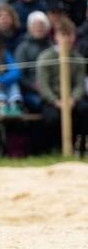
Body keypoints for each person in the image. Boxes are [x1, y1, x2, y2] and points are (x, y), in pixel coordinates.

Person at [35, 18, 88, 151]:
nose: (67, 39)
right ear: (56, 36)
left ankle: (80, 147)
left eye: (69, 34)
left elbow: (79, 84)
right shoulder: (45, 57)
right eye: (63, 35)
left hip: (72, 99)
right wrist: (55, 101)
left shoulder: (78, 59)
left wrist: (73, 99)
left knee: (84, 110)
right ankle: (55, 148)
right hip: (52, 100)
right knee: (52, 118)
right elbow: (43, 84)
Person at [14, 10, 51, 112]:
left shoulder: (52, 46)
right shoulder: (23, 47)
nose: (39, 27)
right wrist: (33, 86)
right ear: (30, 27)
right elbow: (19, 74)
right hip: (30, 91)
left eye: (42, 25)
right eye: (35, 25)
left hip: (51, 89)